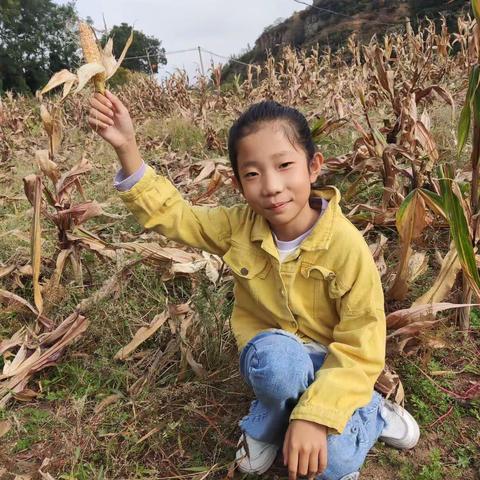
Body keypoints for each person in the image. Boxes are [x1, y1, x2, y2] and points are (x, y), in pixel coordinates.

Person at [88, 91, 420, 480]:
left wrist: (316, 419)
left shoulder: (346, 248)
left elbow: (361, 346)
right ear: (238, 182)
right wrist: (127, 146)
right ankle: (271, 419)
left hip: (336, 365)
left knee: (334, 465)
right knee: (278, 363)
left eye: (284, 165)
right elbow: (175, 216)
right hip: (276, 356)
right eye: (253, 173)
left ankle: (371, 413)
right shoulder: (237, 227)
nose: (272, 186)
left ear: (314, 166)